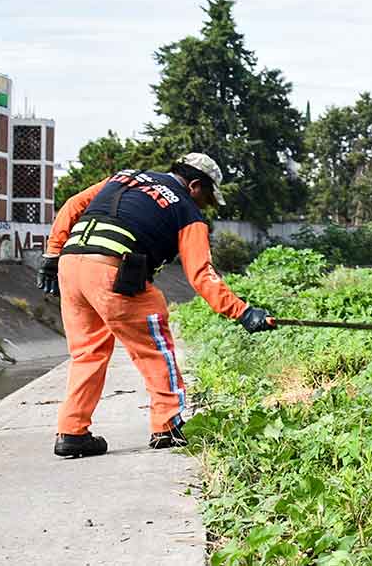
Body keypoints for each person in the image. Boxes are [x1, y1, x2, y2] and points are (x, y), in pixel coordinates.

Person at [37, 153, 277, 458]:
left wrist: (51, 255)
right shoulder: (187, 211)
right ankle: (168, 427)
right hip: (114, 271)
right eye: (207, 198)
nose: (207, 207)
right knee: (155, 349)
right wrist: (242, 311)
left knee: (87, 353)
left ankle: (72, 432)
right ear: (194, 185)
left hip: (71, 267)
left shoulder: (126, 176)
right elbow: (202, 274)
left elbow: (73, 204)